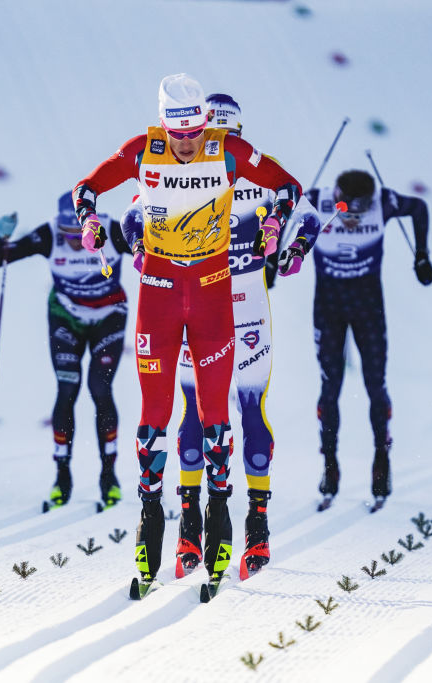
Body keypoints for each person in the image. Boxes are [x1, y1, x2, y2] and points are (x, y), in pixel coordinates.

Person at [73, 73, 303, 595]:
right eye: (177, 135)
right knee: (155, 415)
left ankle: (221, 518)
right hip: (156, 289)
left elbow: (290, 186)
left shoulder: (228, 150)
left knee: (216, 415)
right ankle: (154, 523)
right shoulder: (142, 150)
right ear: (164, 125)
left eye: (194, 133)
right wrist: (89, 222)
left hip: (212, 290)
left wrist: (274, 225)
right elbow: (85, 187)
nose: (186, 145)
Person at [120, 93, 282, 581]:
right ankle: (190, 523)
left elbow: (308, 214)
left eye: (231, 137)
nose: (222, 146)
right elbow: (133, 214)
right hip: (190, 299)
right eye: (219, 135)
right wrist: (140, 249)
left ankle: (257, 524)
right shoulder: (175, 170)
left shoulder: (251, 169)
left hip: (246, 304)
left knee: (248, 411)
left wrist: (288, 248)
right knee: (192, 408)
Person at [277, 169, 432, 508]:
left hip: (368, 309)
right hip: (329, 309)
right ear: (336, 196)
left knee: (375, 385)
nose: (351, 217)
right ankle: (330, 465)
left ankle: (382, 459)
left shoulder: (384, 202)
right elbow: (279, 211)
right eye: (346, 209)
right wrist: (270, 262)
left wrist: (422, 254)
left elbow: (419, 208)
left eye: (360, 211)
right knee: (330, 386)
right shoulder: (317, 199)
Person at [0, 193, 130, 511]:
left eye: (80, 233)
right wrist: (3, 237)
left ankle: (108, 476)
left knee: (100, 389)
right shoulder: (49, 235)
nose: (74, 240)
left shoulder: (114, 231)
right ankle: (62, 477)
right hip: (64, 317)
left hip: (109, 317)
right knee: (67, 388)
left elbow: (160, 255)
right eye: (67, 233)